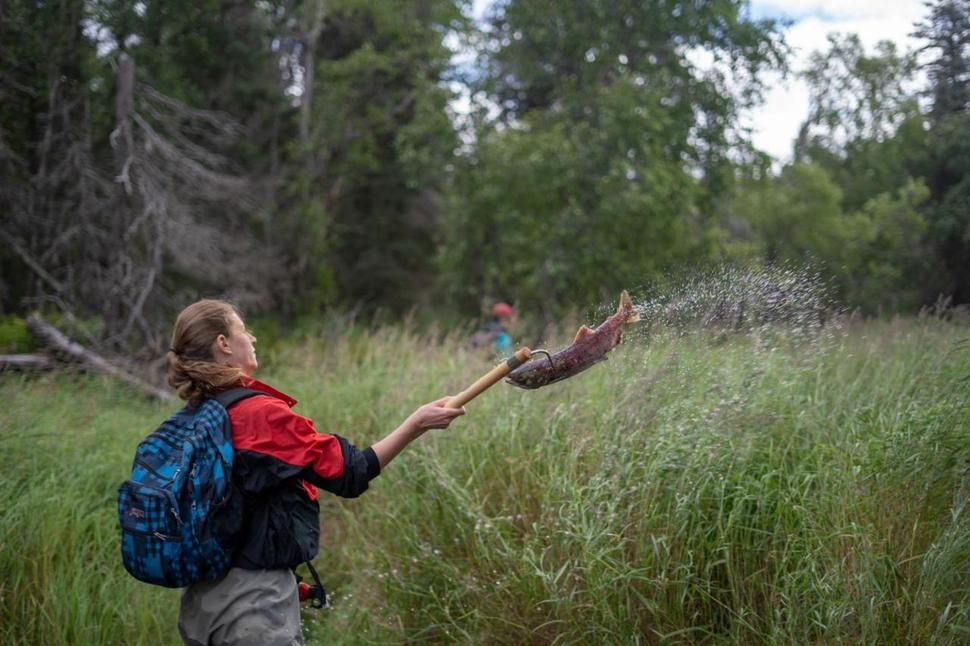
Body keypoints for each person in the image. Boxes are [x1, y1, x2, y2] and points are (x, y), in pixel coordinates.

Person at [166, 299, 465, 645]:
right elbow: (350, 473)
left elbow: (231, 514)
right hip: (253, 611)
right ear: (224, 344)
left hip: (198, 607)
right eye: (242, 330)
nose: (252, 338)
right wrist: (416, 424)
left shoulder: (189, 420)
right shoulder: (259, 415)